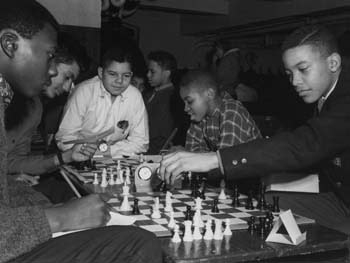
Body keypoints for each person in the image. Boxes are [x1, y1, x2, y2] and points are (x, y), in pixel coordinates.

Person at [0, 2, 162, 262]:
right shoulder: (75, 93)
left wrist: (43, 203)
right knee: (138, 242)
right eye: (50, 55)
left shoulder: (13, 99)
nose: (52, 70)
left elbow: (10, 167)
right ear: (10, 44)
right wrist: (60, 216)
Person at [160, 25, 350, 234]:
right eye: (289, 73)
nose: (295, 81)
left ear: (333, 63)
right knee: (268, 203)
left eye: (303, 69)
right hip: (341, 201)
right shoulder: (325, 91)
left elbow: (305, 143)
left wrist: (216, 159)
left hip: (341, 203)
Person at [6, 33, 87, 177]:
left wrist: (64, 157)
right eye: (67, 77)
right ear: (49, 63)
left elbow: (14, 161)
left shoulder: (35, 107)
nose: (68, 88)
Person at [56, 45, 149, 157]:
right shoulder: (84, 92)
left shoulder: (135, 96)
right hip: (79, 158)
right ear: (101, 72)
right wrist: (83, 151)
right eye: (112, 74)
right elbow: (65, 138)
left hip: (114, 159)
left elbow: (141, 143)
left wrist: (106, 151)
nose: (119, 81)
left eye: (126, 76)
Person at [180, 69, 261, 153]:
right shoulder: (200, 117)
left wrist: (188, 155)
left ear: (209, 94)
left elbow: (226, 158)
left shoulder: (232, 111)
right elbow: (193, 152)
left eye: (189, 101)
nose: (185, 108)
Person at [146, 50, 183, 154]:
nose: (148, 75)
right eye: (148, 71)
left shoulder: (172, 98)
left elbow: (161, 133)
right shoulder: (147, 94)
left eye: (152, 72)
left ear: (166, 74)